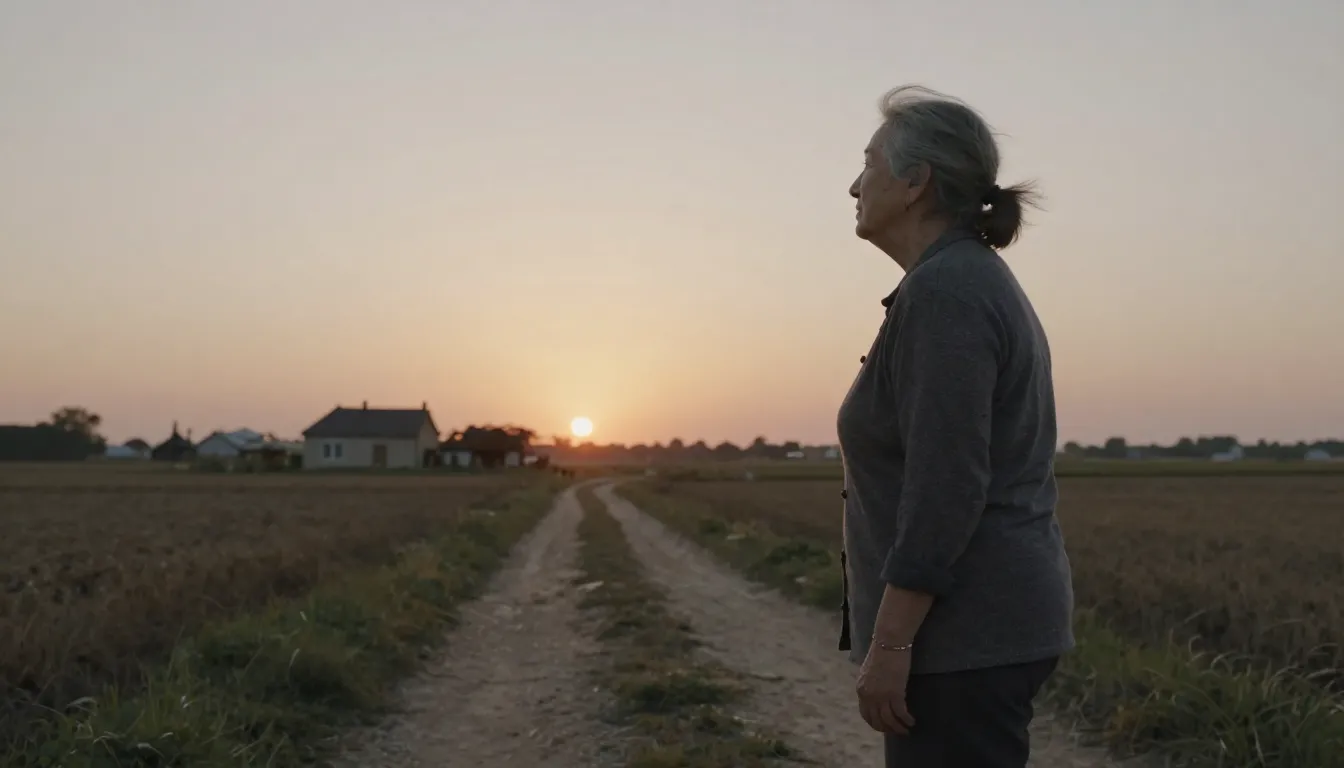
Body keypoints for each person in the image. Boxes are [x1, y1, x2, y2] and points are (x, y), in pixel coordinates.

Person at [836, 85, 1076, 767]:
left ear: (916, 183)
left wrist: (891, 642)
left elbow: (945, 487)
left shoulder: (947, 293)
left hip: (966, 637)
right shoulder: (959, 281)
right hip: (979, 632)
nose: (854, 185)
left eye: (870, 164)